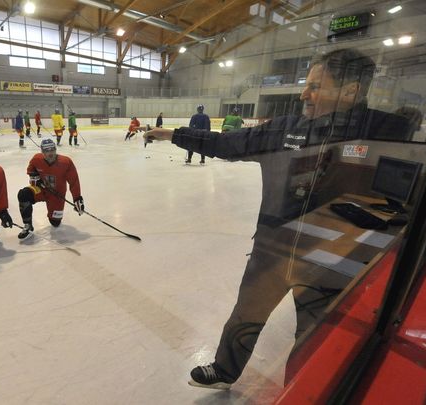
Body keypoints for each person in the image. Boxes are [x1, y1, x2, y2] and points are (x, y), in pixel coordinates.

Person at [143, 48, 411, 390]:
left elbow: (402, 200)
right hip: (273, 249)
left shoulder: (386, 131)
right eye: (306, 84)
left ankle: (306, 390)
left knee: (316, 335)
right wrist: (173, 134)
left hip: (331, 261)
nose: (304, 93)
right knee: (245, 314)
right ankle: (225, 369)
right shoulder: (286, 129)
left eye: (315, 85)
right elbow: (228, 144)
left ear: (350, 91)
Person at [16, 138, 84, 239]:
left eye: (52, 149)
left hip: (57, 195)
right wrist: (36, 180)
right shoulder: (36, 159)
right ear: (42, 152)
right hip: (41, 190)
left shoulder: (66, 162)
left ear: (55, 150)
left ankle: (54, 216)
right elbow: (31, 170)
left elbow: (74, 181)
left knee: (55, 222)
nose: (50, 153)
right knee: (23, 194)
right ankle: (28, 225)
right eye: (47, 151)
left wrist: (77, 198)